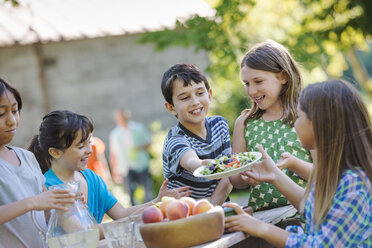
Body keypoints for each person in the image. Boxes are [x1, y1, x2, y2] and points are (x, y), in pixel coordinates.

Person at [224, 79, 372, 247]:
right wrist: (274, 175)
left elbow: (320, 245)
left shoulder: (354, 183)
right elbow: (314, 210)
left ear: (320, 124)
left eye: (300, 116)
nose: (295, 123)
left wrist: (260, 227)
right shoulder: (342, 175)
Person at [28, 110, 191, 225]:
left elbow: (121, 214)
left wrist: (157, 202)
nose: (90, 150)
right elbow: (85, 233)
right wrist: (133, 220)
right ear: (55, 152)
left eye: (89, 142)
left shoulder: (91, 178)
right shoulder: (48, 188)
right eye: (80, 146)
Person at [229, 40, 314, 213]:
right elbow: (235, 179)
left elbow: (325, 175)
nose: (251, 91)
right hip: (262, 218)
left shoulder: (306, 116)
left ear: (283, 77)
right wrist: (246, 176)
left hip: (304, 214)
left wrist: (293, 164)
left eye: (258, 81)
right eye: (246, 84)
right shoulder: (245, 123)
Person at [0, 78, 75, 247]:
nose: (12, 120)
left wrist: (65, 204)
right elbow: (36, 202)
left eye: (15, 110)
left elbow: (45, 213)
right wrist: (33, 202)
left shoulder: (27, 158)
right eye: (1, 114)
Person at [161, 63, 232, 205]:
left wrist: (211, 210)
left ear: (209, 95)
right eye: (184, 98)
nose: (195, 102)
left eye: (200, 93)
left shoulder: (220, 125)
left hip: (216, 205)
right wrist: (202, 164)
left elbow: (228, 176)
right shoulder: (175, 138)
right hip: (183, 211)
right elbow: (189, 161)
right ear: (171, 107)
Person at [109, 109, 153, 205]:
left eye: (122, 117)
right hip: (125, 167)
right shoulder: (115, 134)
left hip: (141, 164)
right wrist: (114, 171)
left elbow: (149, 143)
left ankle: (152, 210)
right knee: (130, 194)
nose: (120, 120)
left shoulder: (139, 128)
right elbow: (113, 154)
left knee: (147, 192)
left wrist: (139, 148)